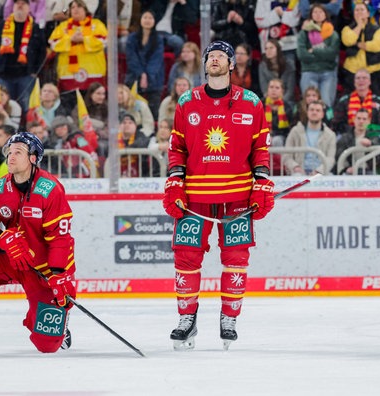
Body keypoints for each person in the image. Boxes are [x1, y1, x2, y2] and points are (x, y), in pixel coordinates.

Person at [163, 40, 274, 351]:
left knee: (236, 258)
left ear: (231, 65)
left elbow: (260, 148)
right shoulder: (187, 101)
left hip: (237, 196)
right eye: (209, 56)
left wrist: (262, 181)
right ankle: (187, 318)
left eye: (219, 57)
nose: (213, 60)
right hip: (195, 196)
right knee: (186, 258)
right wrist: (175, 180)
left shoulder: (251, 102)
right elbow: (177, 148)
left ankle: (229, 318)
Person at [0, 131, 77, 355]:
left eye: (18, 152)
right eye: (9, 151)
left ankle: (55, 322)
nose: (11, 156)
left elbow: (60, 238)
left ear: (33, 158)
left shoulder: (50, 189)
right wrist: (0, 237)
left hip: (43, 270)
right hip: (12, 260)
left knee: (48, 345)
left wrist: (58, 274)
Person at [0, 0, 47, 113]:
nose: (20, 6)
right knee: (4, 106)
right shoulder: (2, 26)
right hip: (4, 74)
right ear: (12, 7)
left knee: (26, 106)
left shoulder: (35, 28)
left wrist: (36, 71)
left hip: (26, 74)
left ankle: (24, 130)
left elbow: (41, 52)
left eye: (23, 4)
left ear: (29, 8)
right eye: (17, 3)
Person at [48, 0, 107, 92]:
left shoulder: (97, 24)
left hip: (93, 72)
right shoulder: (63, 26)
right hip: (68, 74)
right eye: (73, 7)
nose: (76, 9)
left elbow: (103, 41)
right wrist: (70, 39)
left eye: (79, 6)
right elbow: (53, 43)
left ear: (85, 10)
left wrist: (84, 39)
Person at [296, 3, 340, 111]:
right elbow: (302, 55)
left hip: (328, 72)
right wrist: (322, 53)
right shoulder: (304, 33)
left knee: (326, 104)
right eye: (315, 12)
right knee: (309, 105)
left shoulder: (332, 34)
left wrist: (314, 51)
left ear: (326, 15)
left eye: (321, 12)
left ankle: (327, 125)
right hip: (309, 72)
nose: (318, 14)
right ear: (311, 15)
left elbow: (332, 54)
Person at [125, 9, 166, 121]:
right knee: (132, 109)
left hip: (153, 77)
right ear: (140, 20)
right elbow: (131, 58)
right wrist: (141, 74)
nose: (147, 20)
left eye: (150, 18)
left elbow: (156, 60)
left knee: (153, 110)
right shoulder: (132, 38)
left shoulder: (158, 39)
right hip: (134, 75)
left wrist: (147, 75)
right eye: (145, 17)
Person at [340, 2, 380, 94]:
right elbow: (348, 41)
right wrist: (359, 25)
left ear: (368, 13)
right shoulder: (347, 29)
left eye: (362, 10)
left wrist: (358, 44)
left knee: (374, 99)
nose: (359, 12)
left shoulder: (378, 29)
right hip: (352, 70)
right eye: (356, 10)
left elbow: (378, 45)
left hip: (373, 70)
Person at [283, 100, 337, 175]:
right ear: (307, 112)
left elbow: (330, 159)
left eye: (318, 110)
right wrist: (296, 167)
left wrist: (319, 171)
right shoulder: (295, 131)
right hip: (298, 172)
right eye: (311, 110)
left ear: (322, 114)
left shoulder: (330, 135)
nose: (314, 112)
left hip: (321, 173)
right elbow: (286, 155)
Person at [332, 69, 380, 136]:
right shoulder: (344, 101)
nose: (361, 80)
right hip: (348, 137)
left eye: (364, 78)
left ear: (369, 82)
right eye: (358, 78)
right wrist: (353, 131)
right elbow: (337, 124)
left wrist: (370, 133)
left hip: (373, 137)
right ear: (354, 82)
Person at [334, 108, 380, 175]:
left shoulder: (374, 136)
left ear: (369, 121)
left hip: (369, 171)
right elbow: (339, 156)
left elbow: (379, 154)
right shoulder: (345, 137)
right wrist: (346, 168)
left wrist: (371, 144)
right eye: (358, 118)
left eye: (364, 119)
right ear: (354, 120)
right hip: (350, 171)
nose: (361, 121)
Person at [258, 39, 297, 106]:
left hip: (286, 100)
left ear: (278, 49)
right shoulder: (262, 66)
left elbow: (290, 89)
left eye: (271, 48)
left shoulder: (289, 65)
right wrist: (271, 102)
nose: (268, 51)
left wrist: (281, 102)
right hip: (269, 100)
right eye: (266, 48)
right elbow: (264, 88)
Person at [117, 112, 151, 177]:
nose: (127, 125)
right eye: (124, 123)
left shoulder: (140, 136)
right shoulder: (115, 139)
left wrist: (125, 152)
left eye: (130, 123)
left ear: (135, 126)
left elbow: (142, 144)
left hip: (140, 174)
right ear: (119, 126)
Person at [264, 78, 294, 147]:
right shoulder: (261, 105)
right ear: (267, 90)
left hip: (281, 136)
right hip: (263, 135)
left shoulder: (287, 107)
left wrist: (272, 135)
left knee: (276, 140)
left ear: (282, 91)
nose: (273, 90)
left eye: (277, 88)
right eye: (271, 87)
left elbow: (288, 129)